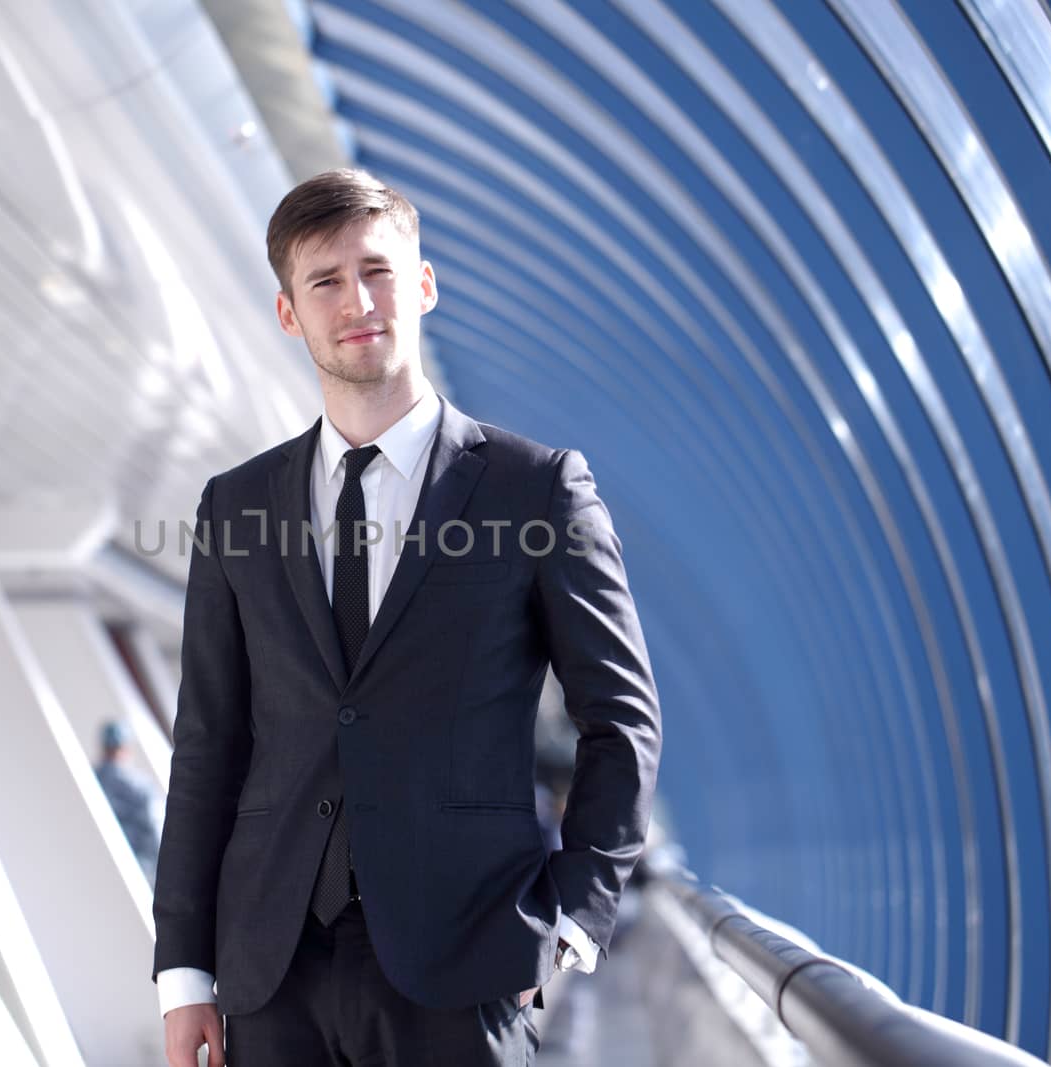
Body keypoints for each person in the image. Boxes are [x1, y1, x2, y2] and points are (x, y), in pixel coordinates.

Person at [152, 169, 661, 1066]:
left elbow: (620, 720)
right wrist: (186, 973)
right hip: (273, 974)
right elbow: (209, 744)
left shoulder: (536, 487)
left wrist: (573, 917)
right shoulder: (236, 506)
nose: (358, 301)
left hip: (468, 965)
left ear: (422, 284)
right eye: (324, 281)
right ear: (288, 314)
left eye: (378, 270)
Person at [93, 720, 162, 884]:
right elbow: (155, 824)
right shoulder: (139, 784)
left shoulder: (92, 779)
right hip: (141, 865)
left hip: (105, 865)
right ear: (126, 748)